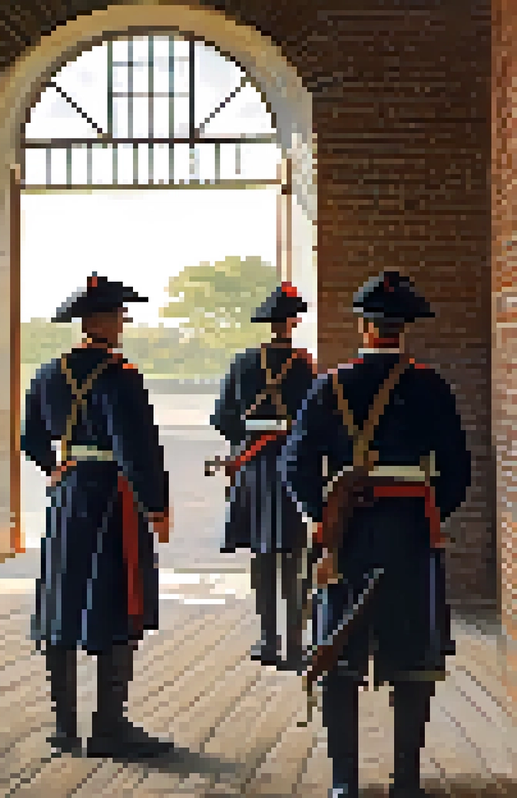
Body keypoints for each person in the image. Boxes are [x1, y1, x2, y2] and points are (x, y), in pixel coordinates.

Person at [281, 270, 471, 798]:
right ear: (404, 328)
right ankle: (405, 781)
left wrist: (323, 516)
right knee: (412, 661)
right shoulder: (430, 384)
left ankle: (344, 782)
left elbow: (295, 464)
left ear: (364, 328)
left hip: (347, 536)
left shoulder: (330, 384)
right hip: (410, 532)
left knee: (338, 653)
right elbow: (457, 471)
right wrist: (429, 512)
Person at [20, 273, 174, 759]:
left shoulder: (48, 373)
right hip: (112, 499)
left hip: (67, 497)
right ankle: (108, 727)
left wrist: (54, 467)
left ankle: (64, 728)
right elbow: (136, 448)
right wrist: (157, 505)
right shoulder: (121, 375)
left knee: (61, 604)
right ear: (106, 321)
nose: (121, 324)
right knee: (116, 602)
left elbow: (29, 438)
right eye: (118, 316)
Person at [211, 283, 316, 670]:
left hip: (254, 467)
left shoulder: (243, 363)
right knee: (295, 557)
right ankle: (295, 644)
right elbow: (315, 422)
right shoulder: (305, 365)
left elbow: (222, 417)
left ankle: (268, 640)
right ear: (294, 322)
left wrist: (245, 440)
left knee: (262, 554)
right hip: (292, 466)